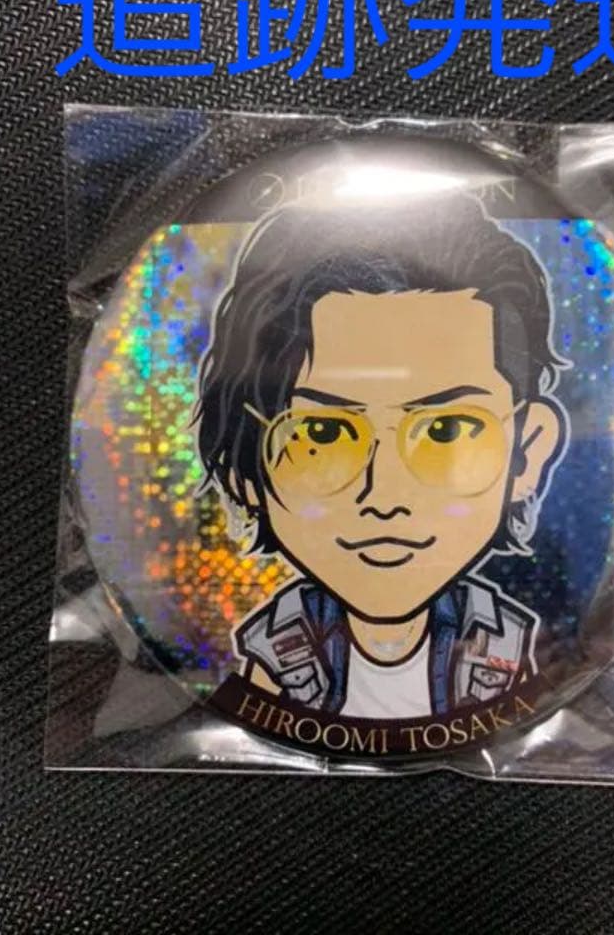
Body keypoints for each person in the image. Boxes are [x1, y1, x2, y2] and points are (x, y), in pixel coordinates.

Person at [195, 153, 568, 720]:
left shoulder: (507, 644)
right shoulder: (276, 652)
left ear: (529, 450)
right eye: (322, 433)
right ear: (248, 468)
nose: (385, 496)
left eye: (446, 430)